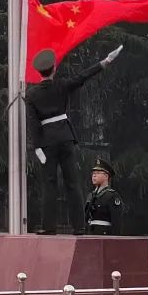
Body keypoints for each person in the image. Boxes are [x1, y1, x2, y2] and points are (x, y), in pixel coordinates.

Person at [26, 45, 122, 235]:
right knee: (72, 183)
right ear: (54, 69)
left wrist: (37, 147)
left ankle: (48, 226)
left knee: (49, 184)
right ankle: (79, 226)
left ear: (39, 72)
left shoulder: (32, 95)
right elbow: (82, 77)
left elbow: (33, 123)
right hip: (65, 138)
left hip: (47, 143)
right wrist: (106, 61)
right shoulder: (61, 85)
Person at [84, 158, 125, 235]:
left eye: (98, 173)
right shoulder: (91, 195)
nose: (94, 175)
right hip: (90, 234)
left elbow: (117, 222)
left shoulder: (112, 196)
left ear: (106, 176)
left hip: (105, 235)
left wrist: (115, 239)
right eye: (93, 173)